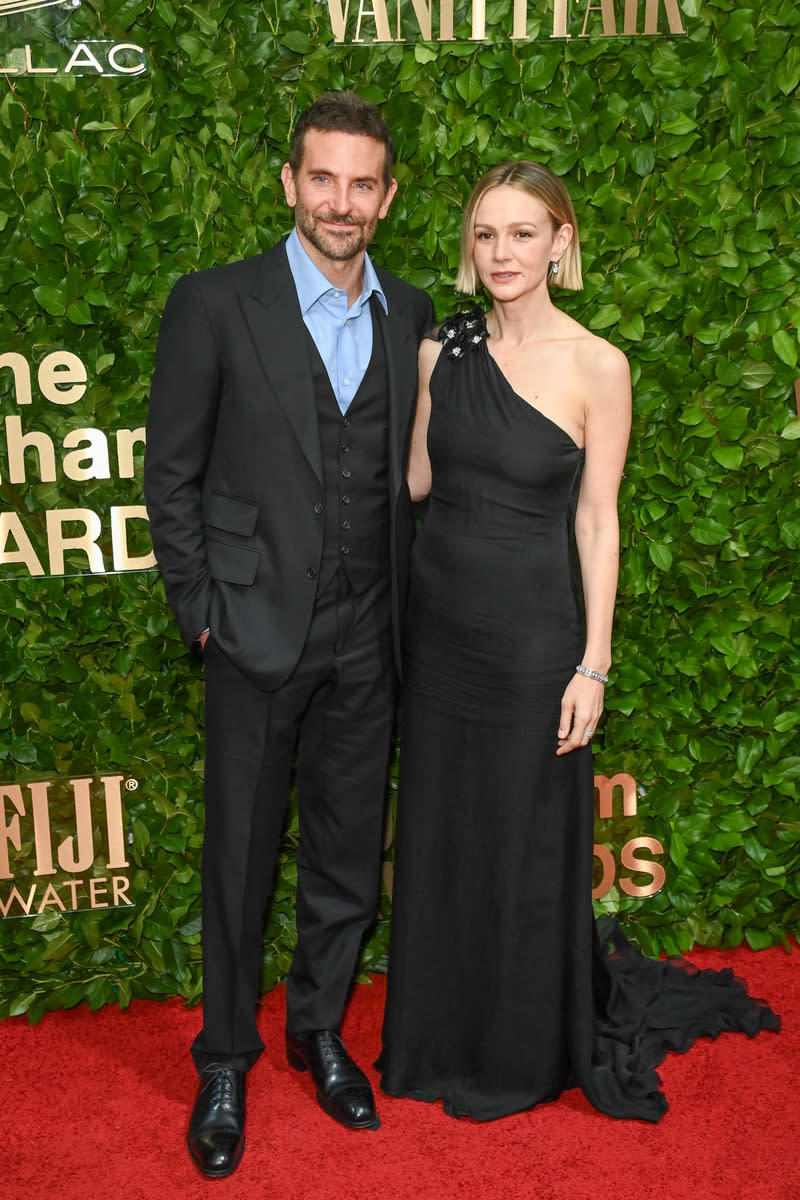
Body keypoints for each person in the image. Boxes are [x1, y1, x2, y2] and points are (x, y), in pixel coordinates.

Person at [378, 160, 779, 1123]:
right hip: (438, 632)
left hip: (532, 639)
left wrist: (591, 663)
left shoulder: (598, 364)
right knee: (441, 837)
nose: (502, 252)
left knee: (521, 842)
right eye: (486, 235)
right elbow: (421, 481)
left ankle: (515, 1054)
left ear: (561, 240)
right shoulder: (444, 351)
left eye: (522, 233)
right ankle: (432, 1040)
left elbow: (598, 522)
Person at [144, 91, 433, 1177]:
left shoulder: (410, 315)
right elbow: (168, 473)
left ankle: (319, 1030)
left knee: (347, 858)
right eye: (323, 178)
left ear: (387, 197)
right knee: (239, 861)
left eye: (362, 184)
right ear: (287, 183)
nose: (340, 202)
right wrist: (203, 616)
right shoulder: (215, 304)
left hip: (372, 637)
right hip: (254, 635)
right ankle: (224, 1055)